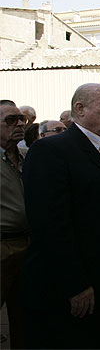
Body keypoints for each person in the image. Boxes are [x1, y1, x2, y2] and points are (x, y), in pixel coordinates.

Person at [21, 83, 100, 349]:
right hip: (81, 287)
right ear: (80, 109)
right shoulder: (52, 151)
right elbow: (50, 226)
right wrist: (75, 284)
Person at [0, 100, 28, 350]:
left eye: (22, 119)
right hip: (2, 245)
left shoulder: (26, 156)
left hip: (28, 244)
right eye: (11, 120)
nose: (19, 124)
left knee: (25, 315)